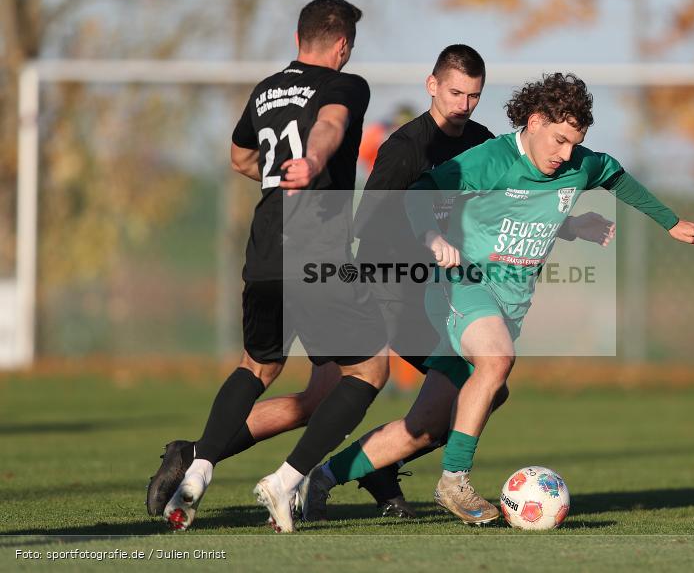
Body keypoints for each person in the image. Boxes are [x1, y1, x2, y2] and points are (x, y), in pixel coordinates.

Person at [301, 72, 694, 526]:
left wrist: (668, 222)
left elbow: (616, 177)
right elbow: (419, 193)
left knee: (425, 426)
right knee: (496, 360)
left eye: (574, 143)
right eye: (558, 140)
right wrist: (433, 236)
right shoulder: (490, 159)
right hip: (461, 286)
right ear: (533, 122)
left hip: (508, 304)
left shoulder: (578, 166)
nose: (565, 154)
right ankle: (454, 480)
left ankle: (322, 477)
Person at [147, 44, 500, 522]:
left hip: (427, 289)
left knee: (316, 400)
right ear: (431, 85)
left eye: (473, 96)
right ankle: (351, 471)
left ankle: (193, 455)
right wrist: (426, 251)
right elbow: (372, 226)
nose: (463, 104)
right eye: (455, 92)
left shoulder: (481, 141)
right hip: (392, 289)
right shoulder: (405, 148)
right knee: (475, 380)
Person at [158, 0, 392, 534]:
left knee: (257, 366)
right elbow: (331, 124)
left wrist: (278, 174)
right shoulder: (347, 84)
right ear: (342, 45)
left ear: (297, 39)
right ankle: (287, 479)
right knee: (368, 370)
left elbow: (239, 158)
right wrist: (312, 161)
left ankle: (198, 467)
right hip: (319, 251)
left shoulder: (265, 90)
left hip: (265, 247)